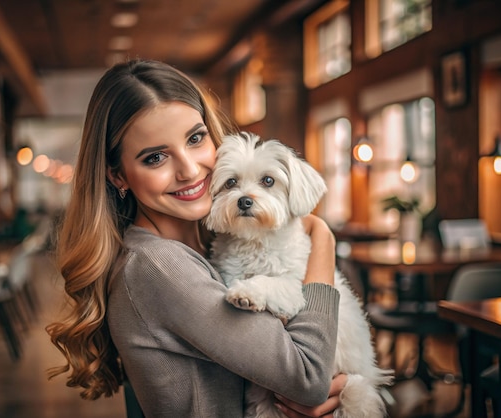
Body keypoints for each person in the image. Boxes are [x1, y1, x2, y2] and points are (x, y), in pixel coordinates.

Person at [46, 59, 346, 417]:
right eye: (155, 157)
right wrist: (322, 237)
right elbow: (309, 379)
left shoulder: (211, 244)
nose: (189, 170)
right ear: (118, 176)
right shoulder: (159, 267)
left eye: (195, 138)